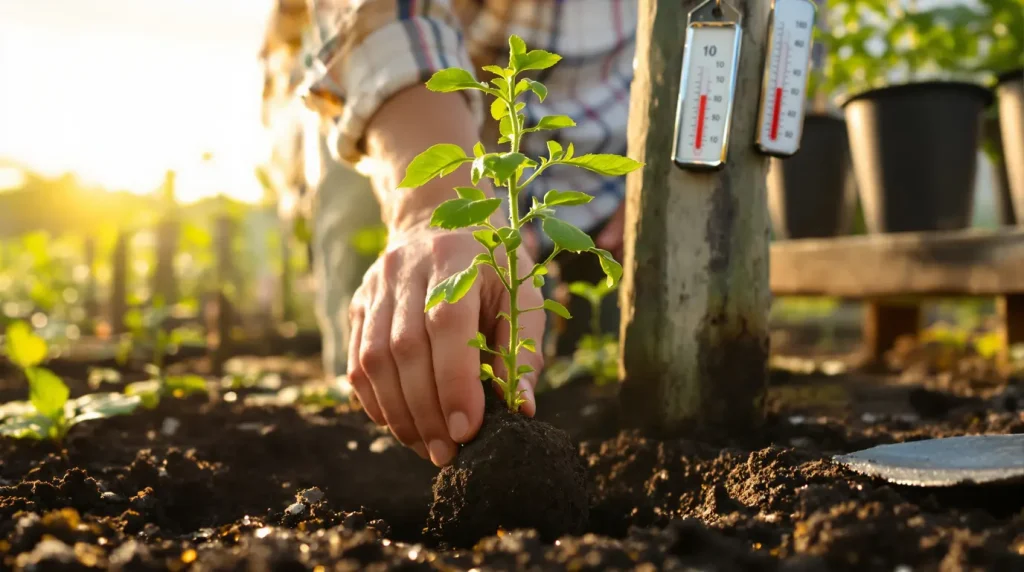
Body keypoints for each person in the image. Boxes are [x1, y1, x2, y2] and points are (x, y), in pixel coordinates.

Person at [260, 0, 637, 468]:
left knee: (599, 388)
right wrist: (429, 207)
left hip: (603, 118)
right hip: (382, 96)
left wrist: (675, 157)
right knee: (398, 368)